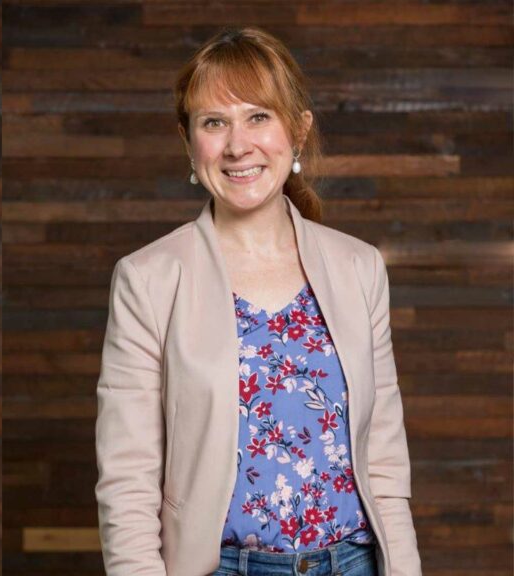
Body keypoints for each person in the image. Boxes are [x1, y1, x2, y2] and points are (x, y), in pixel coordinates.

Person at [95, 28, 420, 576]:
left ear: (298, 130)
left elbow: (385, 460)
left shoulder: (358, 267)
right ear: (189, 142)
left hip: (355, 563)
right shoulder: (147, 279)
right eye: (213, 122)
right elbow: (127, 481)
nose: (237, 144)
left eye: (258, 116)